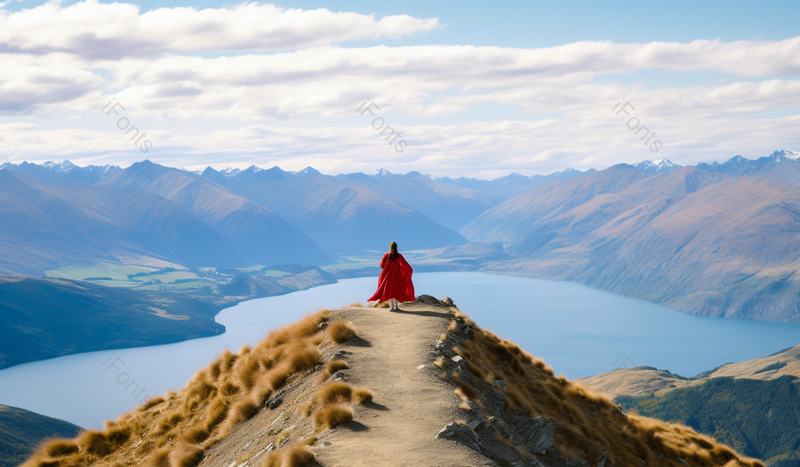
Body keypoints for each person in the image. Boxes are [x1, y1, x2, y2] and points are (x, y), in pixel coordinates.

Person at [368, 241, 415, 311]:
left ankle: (391, 307)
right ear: (397, 247)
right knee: (396, 292)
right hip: (397, 276)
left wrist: (387, 269)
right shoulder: (399, 256)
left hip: (387, 277)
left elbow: (381, 265)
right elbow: (406, 266)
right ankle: (396, 307)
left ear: (389, 247)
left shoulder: (386, 256)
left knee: (390, 292)